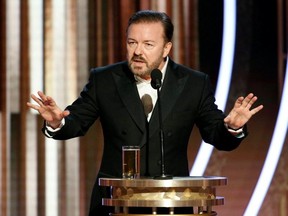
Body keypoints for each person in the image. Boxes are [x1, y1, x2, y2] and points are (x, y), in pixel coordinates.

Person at [27, 10, 263, 215]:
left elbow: (215, 133)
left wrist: (232, 127)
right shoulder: (106, 79)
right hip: (114, 201)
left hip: (171, 203)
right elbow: (77, 121)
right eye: (132, 43)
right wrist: (57, 122)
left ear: (166, 47)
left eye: (148, 44)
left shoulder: (193, 83)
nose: (137, 51)